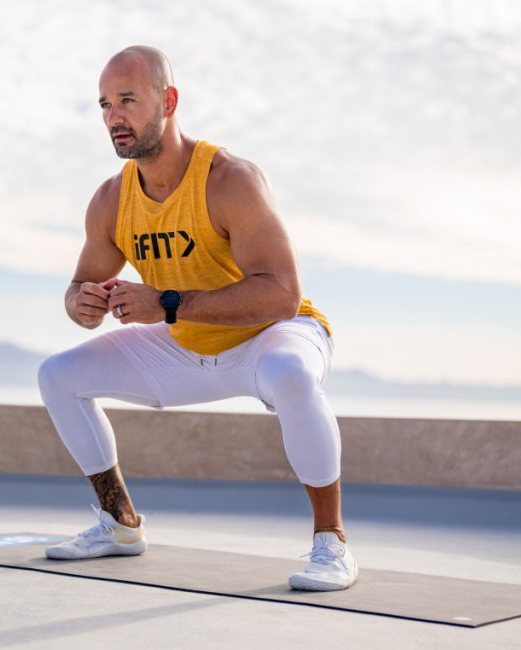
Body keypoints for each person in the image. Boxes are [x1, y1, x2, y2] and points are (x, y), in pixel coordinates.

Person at [37, 45, 357, 591]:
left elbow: (281, 293)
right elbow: (76, 289)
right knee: (57, 375)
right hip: (186, 344)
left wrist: (164, 303)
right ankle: (120, 524)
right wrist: (82, 304)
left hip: (271, 336)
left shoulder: (229, 179)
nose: (115, 117)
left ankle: (332, 543)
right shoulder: (111, 200)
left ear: (169, 100)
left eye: (129, 100)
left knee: (292, 374)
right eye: (105, 105)